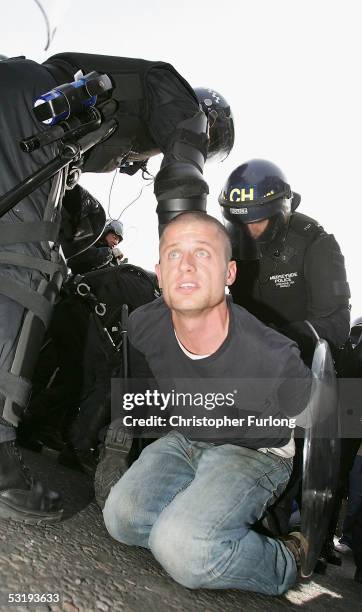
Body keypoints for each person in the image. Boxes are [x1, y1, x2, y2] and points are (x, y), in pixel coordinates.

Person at [0, 54, 234, 522]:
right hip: (24, 107)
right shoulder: (181, 100)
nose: (142, 160)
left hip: (16, 93)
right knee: (29, 268)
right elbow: (183, 181)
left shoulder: (115, 99)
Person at [100, 212, 312, 595]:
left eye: (203, 253)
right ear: (159, 272)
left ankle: (285, 559)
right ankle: (194, 530)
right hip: (186, 437)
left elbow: (312, 410)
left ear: (229, 273)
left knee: (184, 549)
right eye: (174, 254)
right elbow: (141, 383)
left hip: (254, 450)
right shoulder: (146, 325)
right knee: (122, 519)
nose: (186, 265)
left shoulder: (270, 353)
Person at [218, 159, 351, 558]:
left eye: (256, 221)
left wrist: (281, 340)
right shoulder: (232, 239)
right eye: (238, 221)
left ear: (281, 212)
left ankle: (275, 525)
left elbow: (339, 322)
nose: (248, 231)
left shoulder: (316, 242)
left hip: (295, 367)